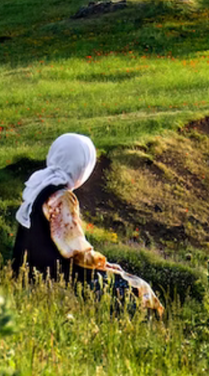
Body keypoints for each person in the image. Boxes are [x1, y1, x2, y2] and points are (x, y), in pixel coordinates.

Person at [11, 133, 163, 316]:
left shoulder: (38, 188)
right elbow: (74, 250)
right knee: (138, 288)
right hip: (56, 276)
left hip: (29, 271)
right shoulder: (62, 198)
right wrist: (104, 264)